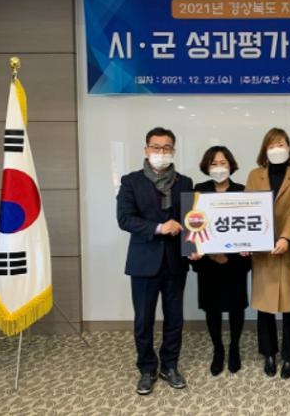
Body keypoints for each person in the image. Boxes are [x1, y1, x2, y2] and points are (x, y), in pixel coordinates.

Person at [116, 127, 193, 395]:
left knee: (175, 319)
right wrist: (160, 228)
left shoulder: (185, 182)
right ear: (146, 150)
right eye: (156, 147)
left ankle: (169, 365)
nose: (161, 152)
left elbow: (192, 221)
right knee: (144, 319)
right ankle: (147, 368)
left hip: (175, 262)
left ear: (173, 151)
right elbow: (125, 219)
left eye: (166, 148)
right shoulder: (131, 181)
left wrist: (194, 246)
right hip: (144, 261)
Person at [244, 128, 290, 379]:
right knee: (265, 306)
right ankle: (268, 353)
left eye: (281, 144)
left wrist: (286, 237)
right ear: (265, 150)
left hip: (287, 248)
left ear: (289, 148)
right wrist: (247, 240)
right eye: (271, 145)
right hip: (262, 251)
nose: (276, 149)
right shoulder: (255, 175)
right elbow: (248, 209)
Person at [188, 146, 251, 376]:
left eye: (223, 163)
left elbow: (247, 227)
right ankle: (218, 349)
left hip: (235, 263)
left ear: (231, 165)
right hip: (208, 262)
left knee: (236, 306)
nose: (218, 167)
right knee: (211, 307)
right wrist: (202, 252)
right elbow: (191, 224)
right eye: (213, 163)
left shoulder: (242, 191)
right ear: (206, 166)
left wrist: (243, 249)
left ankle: (234, 347)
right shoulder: (198, 191)